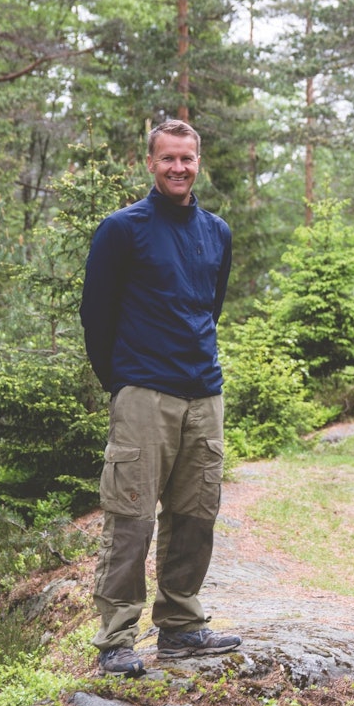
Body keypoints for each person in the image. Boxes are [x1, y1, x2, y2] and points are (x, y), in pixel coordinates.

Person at [80, 119, 240, 676]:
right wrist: (121, 382)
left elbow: (209, 307)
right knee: (131, 519)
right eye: (168, 158)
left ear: (199, 162)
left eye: (187, 159)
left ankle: (180, 626)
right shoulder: (122, 229)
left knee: (196, 513)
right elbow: (95, 315)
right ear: (150, 162)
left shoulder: (216, 231)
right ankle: (118, 639)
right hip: (144, 393)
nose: (178, 168)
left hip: (204, 393)